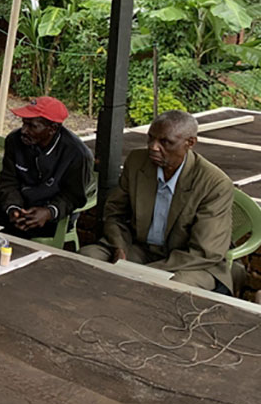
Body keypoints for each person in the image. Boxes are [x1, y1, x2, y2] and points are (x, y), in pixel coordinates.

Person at [81, 110, 237, 294]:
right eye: (150, 138)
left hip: (190, 263)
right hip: (139, 250)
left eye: (165, 142)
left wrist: (147, 272)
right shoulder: (137, 161)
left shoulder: (214, 184)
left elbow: (205, 252)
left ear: (190, 143)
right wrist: (119, 246)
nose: (153, 147)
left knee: (168, 289)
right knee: (86, 259)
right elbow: (115, 211)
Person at [0, 96, 93, 239]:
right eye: (24, 123)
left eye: (32, 126)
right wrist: (13, 208)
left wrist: (48, 212)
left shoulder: (77, 154)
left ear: (52, 129)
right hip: (14, 208)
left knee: (5, 240)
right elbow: (8, 181)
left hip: (53, 217)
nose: (24, 130)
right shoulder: (14, 140)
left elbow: (73, 196)